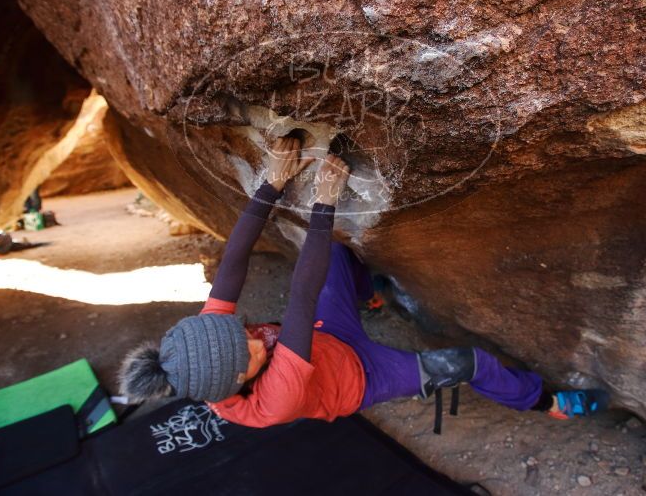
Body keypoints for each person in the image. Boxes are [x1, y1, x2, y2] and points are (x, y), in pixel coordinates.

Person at [118, 137, 607, 431]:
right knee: (470, 362)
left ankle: (368, 296)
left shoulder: (204, 350)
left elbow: (233, 265)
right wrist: (323, 203)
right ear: (239, 382)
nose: (249, 335)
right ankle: (546, 403)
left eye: (238, 331)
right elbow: (302, 298)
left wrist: (270, 183)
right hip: (360, 379)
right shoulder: (274, 399)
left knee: (332, 254)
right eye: (248, 351)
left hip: (327, 338)